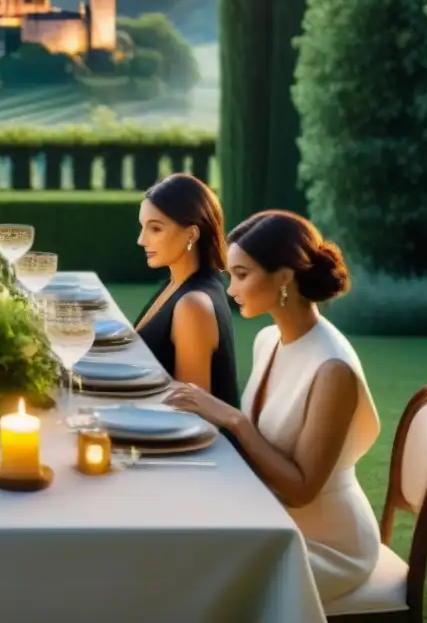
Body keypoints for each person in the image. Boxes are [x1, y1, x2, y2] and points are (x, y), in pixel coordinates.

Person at [164, 210, 381, 603]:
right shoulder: (268, 339)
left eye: (242, 274)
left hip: (323, 542)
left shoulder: (333, 369)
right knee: (173, 535)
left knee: (197, 575)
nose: (230, 289)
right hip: (271, 517)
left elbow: (301, 490)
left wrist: (232, 418)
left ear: (284, 278)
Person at [132, 173, 240, 407]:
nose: (141, 240)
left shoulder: (193, 305)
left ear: (192, 234)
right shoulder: (175, 284)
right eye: (143, 227)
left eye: (155, 229)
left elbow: (191, 416)